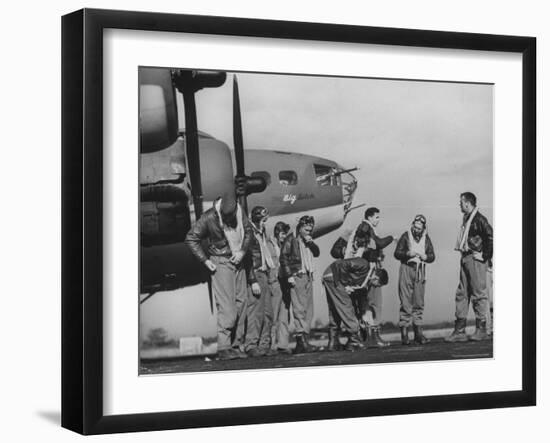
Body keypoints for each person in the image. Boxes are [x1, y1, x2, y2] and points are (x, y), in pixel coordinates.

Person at [185, 192, 256, 360]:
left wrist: (242, 251)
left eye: (233, 217)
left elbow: (248, 231)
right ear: (220, 212)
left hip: (238, 260)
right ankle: (224, 347)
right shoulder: (209, 217)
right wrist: (204, 260)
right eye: (227, 217)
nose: (231, 221)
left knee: (242, 303)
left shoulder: (239, 211)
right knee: (228, 308)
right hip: (221, 262)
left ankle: (236, 345)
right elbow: (191, 237)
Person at [445, 192, 493, 342]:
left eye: (461, 202)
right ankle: (459, 330)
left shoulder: (479, 219)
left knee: (479, 293)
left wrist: (485, 256)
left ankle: (481, 329)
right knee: (462, 293)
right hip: (465, 257)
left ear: (467, 203)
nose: (459, 205)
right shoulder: (467, 219)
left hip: (475, 258)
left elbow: (490, 236)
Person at [323, 257, 389, 352]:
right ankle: (354, 340)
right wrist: (345, 285)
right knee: (346, 305)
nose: (374, 286)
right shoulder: (364, 264)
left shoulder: (365, 275)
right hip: (334, 276)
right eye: (376, 284)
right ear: (376, 277)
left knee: (335, 308)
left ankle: (333, 342)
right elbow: (344, 265)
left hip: (330, 275)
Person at [241, 206, 280, 357]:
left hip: (265, 273)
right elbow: (247, 257)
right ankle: (251, 344)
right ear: (257, 219)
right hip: (256, 274)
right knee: (255, 312)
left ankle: (264, 345)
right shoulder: (249, 232)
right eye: (263, 220)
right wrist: (252, 280)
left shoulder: (261, 232)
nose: (265, 223)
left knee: (268, 312)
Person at [353, 207, 394, 348]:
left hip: (368, 269)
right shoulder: (366, 227)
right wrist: (392, 238)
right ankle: (373, 337)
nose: (378, 220)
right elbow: (379, 243)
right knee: (374, 303)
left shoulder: (364, 228)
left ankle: (371, 336)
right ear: (369, 217)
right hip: (370, 270)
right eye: (377, 217)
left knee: (368, 304)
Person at [279, 215, 320, 354]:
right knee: (299, 309)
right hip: (297, 275)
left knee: (309, 309)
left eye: (311, 229)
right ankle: (301, 340)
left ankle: (304, 341)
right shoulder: (291, 239)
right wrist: (289, 275)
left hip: (308, 275)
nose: (309, 231)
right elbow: (283, 257)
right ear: (300, 227)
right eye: (307, 229)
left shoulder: (308, 240)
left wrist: (311, 242)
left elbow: (317, 253)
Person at [393, 214, 436, 345]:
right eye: (415, 227)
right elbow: (396, 253)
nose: (416, 230)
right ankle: (404, 334)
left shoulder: (426, 239)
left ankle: (418, 333)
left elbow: (432, 256)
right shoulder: (405, 236)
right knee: (405, 301)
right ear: (412, 225)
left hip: (420, 270)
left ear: (423, 228)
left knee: (418, 302)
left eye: (419, 228)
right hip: (407, 267)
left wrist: (426, 257)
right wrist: (406, 254)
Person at [271, 221, 292, 354]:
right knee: (273, 315)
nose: (284, 237)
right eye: (283, 233)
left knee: (284, 315)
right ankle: (271, 344)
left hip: (285, 283)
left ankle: (283, 344)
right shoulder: (269, 245)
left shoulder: (286, 246)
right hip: (274, 282)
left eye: (286, 234)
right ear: (277, 233)